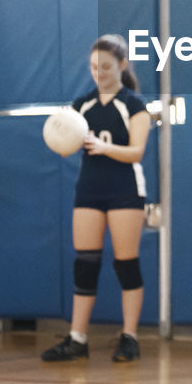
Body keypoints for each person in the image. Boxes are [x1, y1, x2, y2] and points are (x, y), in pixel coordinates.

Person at [42, 33, 153, 364]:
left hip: (125, 190)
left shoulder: (133, 104)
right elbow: (67, 145)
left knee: (125, 263)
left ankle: (129, 337)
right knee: (85, 263)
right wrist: (62, 134)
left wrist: (105, 148)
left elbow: (137, 151)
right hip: (89, 188)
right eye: (94, 67)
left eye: (105, 67)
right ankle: (77, 338)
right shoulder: (82, 105)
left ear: (121, 65)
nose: (99, 73)